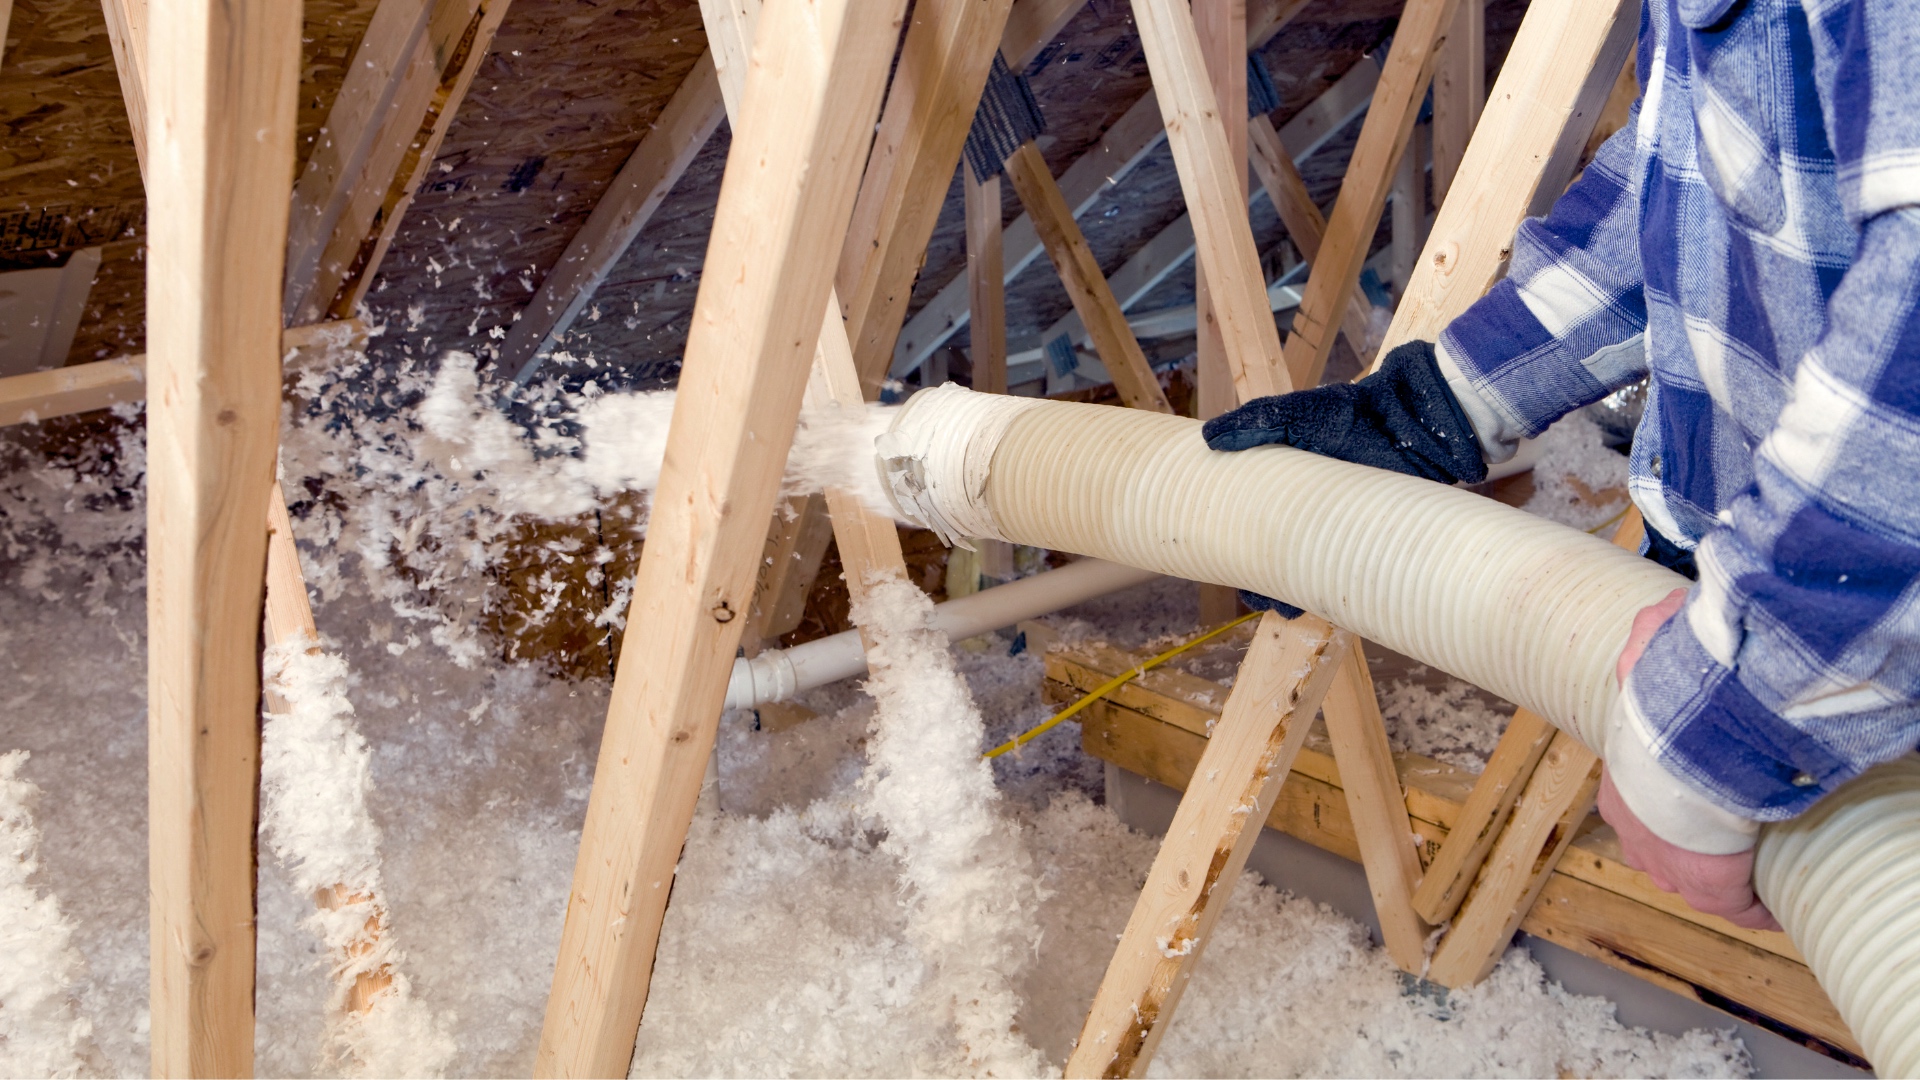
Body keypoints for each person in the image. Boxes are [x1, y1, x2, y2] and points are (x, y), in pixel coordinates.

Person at [1204, 0, 1920, 932]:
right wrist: (1435, 407)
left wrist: (1732, 716)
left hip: (1848, 630)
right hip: (1809, 611)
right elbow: (1678, 185)